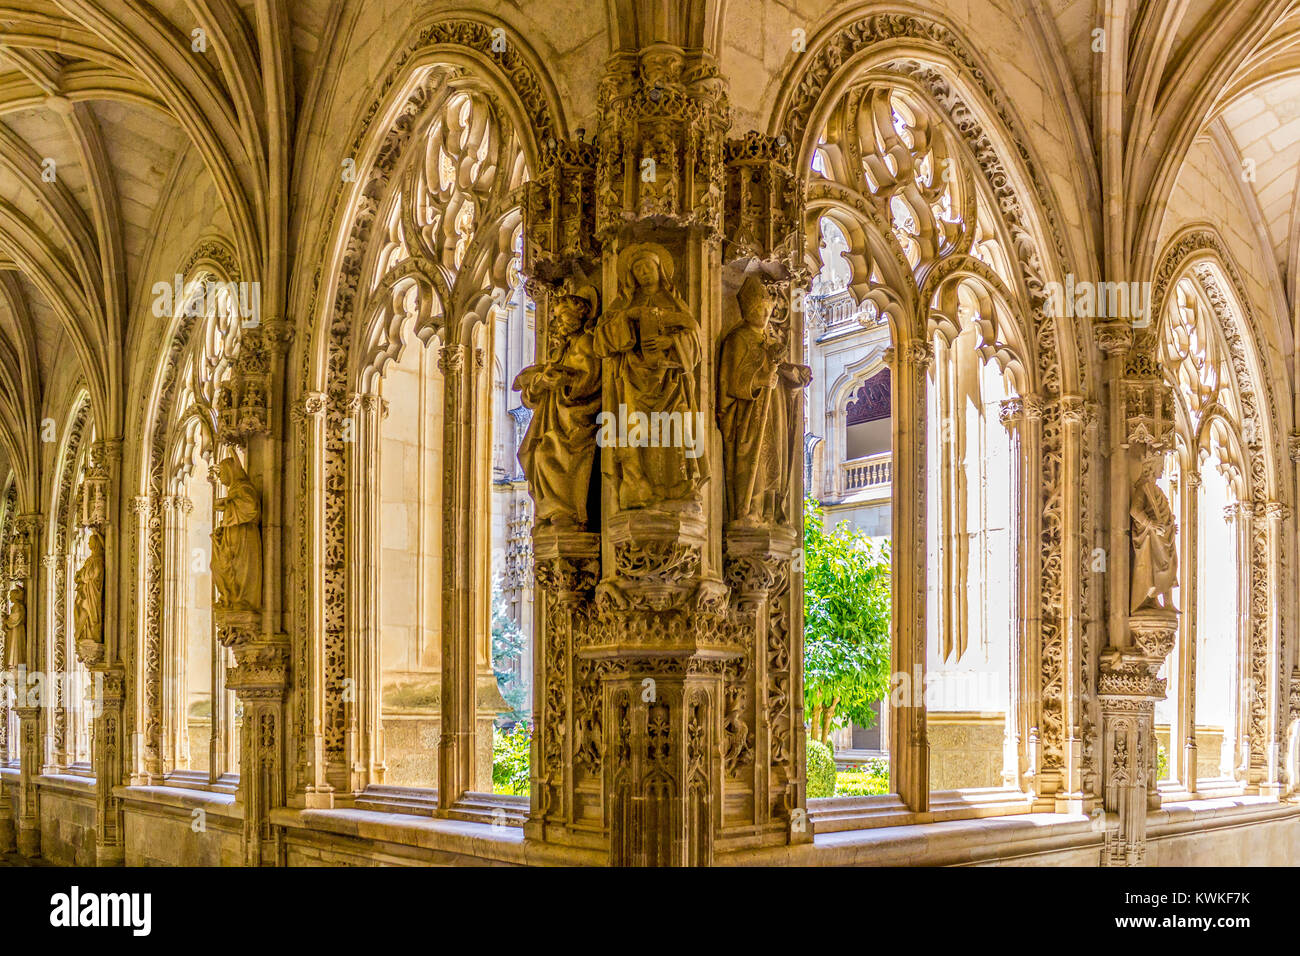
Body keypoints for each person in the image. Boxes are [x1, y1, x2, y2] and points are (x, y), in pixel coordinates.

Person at [514, 283, 603, 529]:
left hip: (575, 421)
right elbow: (539, 389)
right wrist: (538, 384)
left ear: (579, 316)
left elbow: (592, 380)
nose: (559, 324)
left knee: (547, 454)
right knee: (531, 452)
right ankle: (550, 512)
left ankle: (566, 513)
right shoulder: (562, 349)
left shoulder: (586, 343)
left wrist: (564, 380)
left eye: (564, 318)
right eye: (557, 320)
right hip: (554, 418)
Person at [212, 456, 262, 612]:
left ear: (230, 471)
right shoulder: (236, 489)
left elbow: (251, 508)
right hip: (233, 537)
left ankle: (242, 601)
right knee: (219, 567)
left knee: (241, 570)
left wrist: (227, 504)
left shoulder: (243, 488)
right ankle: (231, 599)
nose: (219, 477)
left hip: (244, 538)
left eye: (221, 472)